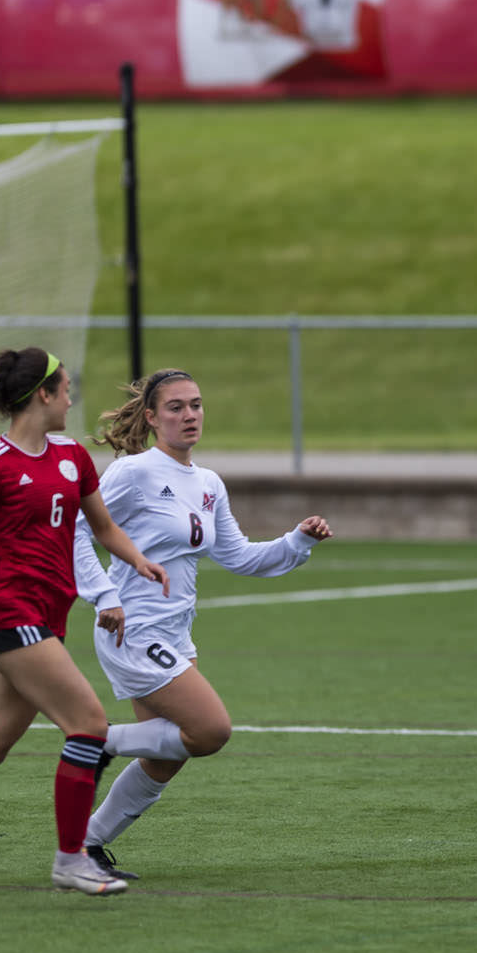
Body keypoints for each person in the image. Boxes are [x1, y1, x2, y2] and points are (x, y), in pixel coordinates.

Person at [0, 348, 169, 899]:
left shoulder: (74, 456)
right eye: (67, 388)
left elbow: (102, 528)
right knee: (89, 723)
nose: (73, 398)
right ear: (42, 396)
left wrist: (138, 561)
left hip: (46, 621)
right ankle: (71, 860)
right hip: (11, 616)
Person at [73, 369, 333, 881]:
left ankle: (87, 844)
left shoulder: (208, 483)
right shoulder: (134, 473)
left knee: (165, 757)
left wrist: (298, 540)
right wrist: (103, 595)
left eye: (195, 405)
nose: (189, 415)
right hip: (132, 629)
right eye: (175, 407)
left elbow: (239, 557)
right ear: (151, 418)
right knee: (210, 730)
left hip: (174, 633)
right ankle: (93, 741)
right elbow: (79, 531)